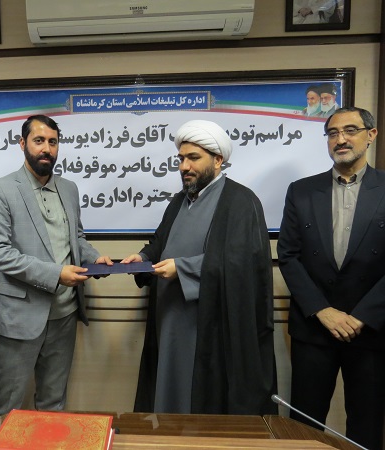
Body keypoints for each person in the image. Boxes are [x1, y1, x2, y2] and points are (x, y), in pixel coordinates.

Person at [122, 119, 276, 415]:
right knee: (167, 392)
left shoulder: (241, 201)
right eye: (181, 159)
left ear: (218, 160)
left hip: (211, 324)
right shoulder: (179, 201)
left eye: (193, 158)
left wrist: (183, 269)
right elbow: (161, 241)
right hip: (170, 317)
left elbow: (241, 262)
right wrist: (142, 257)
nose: (184, 166)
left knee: (202, 399)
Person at [0, 114, 113, 420]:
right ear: (22, 143)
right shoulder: (0, 190)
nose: (46, 149)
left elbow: (76, 238)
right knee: (5, 407)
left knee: (53, 406)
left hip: (64, 315)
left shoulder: (69, 189)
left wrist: (93, 258)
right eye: (39, 141)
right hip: (19, 317)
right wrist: (56, 274)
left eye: (53, 142)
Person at [277, 107, 385, 450]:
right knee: (304, 425)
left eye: (351, 130)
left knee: (366, 425)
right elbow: (288, 255)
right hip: (314, 327)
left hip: (370, 328)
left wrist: (361, 316)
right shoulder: (302, 191)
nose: (341, 139)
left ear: (371, 135)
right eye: (333, 133)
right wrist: (323, 311)